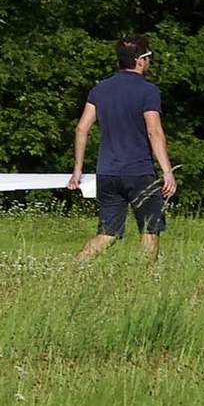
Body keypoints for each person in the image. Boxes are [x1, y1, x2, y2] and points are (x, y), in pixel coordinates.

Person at [66, 35, 175, 261]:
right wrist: (167, 171)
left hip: (107, 173)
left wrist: (77, 170)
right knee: (149, 229)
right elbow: (154, 131)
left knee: (107, 233)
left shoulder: (100, 90)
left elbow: (81, 129)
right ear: (139, 60)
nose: (149, 62)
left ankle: (72, 269)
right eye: (148, 57)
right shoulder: (148, 91)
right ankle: (145, 280)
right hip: (139, 172)